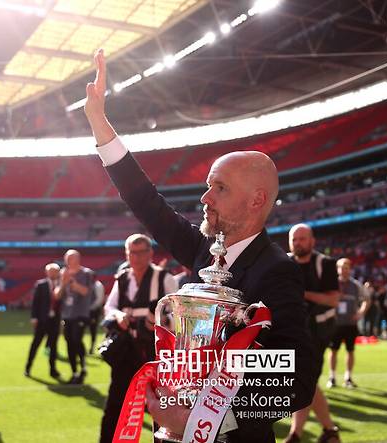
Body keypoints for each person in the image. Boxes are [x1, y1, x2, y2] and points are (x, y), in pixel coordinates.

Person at [84, 49, 316, 443]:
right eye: (207, 185)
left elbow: (297, 379)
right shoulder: (203, 250)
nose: (205, 198)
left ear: (256, 201)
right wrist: (99, 123)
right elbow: (148, 203)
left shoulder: (276, 271)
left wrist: (204, 416)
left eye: (220, 188)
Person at [99, 234, 178, 443]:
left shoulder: (164, 277)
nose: (137, 257)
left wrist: (159, 322)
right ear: (127, 254)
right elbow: (110, 306)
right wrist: (118, 315)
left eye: (141, 252)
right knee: (116, 402)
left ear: (150, 253)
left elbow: (178, 314)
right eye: (132, 252)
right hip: (126, 351)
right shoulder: (123, 278)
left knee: (159, 406)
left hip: (155, 354)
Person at [284, 223, 341, 443]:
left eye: (302, 239)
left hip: (319, 329)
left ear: (312, 240)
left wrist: (302, 294)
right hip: (293, 328)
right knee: (304, 380)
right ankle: (327, 431)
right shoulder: (284, 263)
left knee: (304, 379)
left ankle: (298, 434)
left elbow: (333, 299)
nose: (298, 243)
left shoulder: (324, 263)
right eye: (294, 239)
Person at [55, 249, 95, 384]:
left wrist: (71, 282)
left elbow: (85, 292)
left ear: (78, 259)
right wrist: (63, 283)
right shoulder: (62, 273)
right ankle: (74, 371)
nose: (67, 261)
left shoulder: (86, 273)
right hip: (67, 314)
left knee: (77, 339)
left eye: (70, 258)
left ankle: (83, 367)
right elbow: (57, 295)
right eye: (66, 258)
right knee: (69, 342)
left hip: (81, 313)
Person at [328, 258, 367, 389]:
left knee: (350, 351)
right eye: (341, 267)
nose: (344, 270)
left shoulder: (356, 285)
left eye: (347, 268)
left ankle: (348, 377)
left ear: (350, 269)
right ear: (337, 269)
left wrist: (360, 313)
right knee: (333, 350)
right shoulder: (331, 284)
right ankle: (332, 377)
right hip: (335, 323)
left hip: (350, 324)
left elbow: (366, 300)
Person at [25, 263, 61, 378]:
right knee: (35, 344)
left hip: (55, 321)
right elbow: (35, 303)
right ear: (46, 272)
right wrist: (34, 317)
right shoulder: (41, 285)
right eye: (50, 271)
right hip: (42, 320)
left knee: (53, 347)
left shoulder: (62, 285)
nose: (52, 273)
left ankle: (53, 369)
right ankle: (28, 367)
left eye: (54, 271)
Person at [88, 279, 106, 354]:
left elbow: (99, 300)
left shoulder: (98, 285)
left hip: (93, 311)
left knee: (93, 329)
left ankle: (92, 347)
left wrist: (90, 308)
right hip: (84, 311)